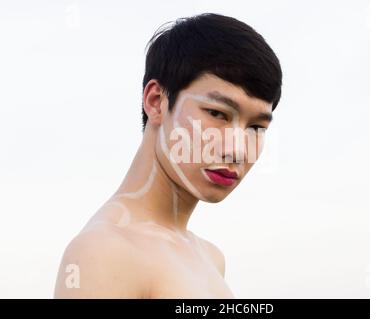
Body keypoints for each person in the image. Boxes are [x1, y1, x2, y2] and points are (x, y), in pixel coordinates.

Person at [54, 12, 282, 298]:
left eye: (256, 127)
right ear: (156, 101)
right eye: (217, 114)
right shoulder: (103, 252)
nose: (236, 149)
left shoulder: (211, 258)